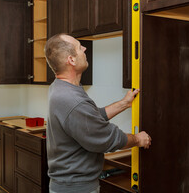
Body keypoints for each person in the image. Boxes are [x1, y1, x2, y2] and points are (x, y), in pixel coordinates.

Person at [44, 33, 152, 193]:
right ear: (71, 60)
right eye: (80, 47)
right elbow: (106, 138)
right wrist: (138, 139)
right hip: (76, 188)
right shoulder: (72, 100)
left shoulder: (59, 88)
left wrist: (123, 104)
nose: (85, 48)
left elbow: (90, 120)